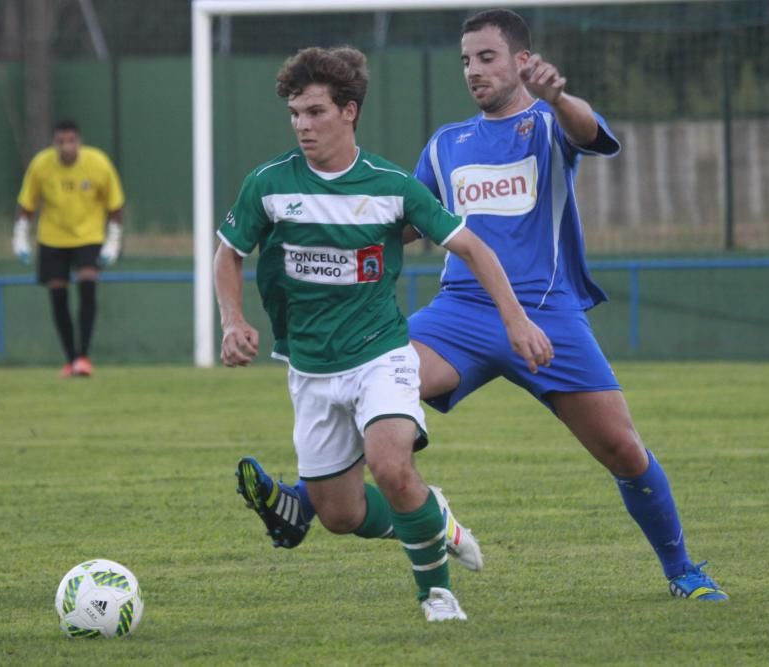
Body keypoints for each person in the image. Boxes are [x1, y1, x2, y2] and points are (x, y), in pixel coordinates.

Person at [238, 9, 728, 602]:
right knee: (369, 378)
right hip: (460, 316)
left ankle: (682, 571)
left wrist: (561, 97)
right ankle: (304, 502)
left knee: (623, 449)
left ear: (523, 61)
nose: (474, 70)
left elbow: (589, 132)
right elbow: (404, 223)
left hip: (548, 314)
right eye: (466, 60)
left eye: (487, 57)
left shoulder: (550, 122)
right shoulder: (448, 144)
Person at [215, 45, 553, 622]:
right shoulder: (269, 185)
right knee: (339, 515)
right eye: (295, 113)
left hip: (381, 355)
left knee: (392, 467)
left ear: (349, 111)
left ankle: (437, 596)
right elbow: (229, 254)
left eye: (315, 112)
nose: (303, 125)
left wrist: (515, 319)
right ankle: (432, 516)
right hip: (310, 369)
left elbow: (472, 246)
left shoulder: (392, 186)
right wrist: (233, 319)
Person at [12, 119, 125, 378]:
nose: (66, 147)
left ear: (79, 141)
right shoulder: (41, 166)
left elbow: (115, 205)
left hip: (88, 235)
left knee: (87, 283)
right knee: (58, 294)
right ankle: (70, 358)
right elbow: (27, 204)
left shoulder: (98, 164)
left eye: (71, 141)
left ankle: (84, 356)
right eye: (61, 142)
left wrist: (113, 241)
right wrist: (20, 237)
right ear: (54, 143)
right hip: (52, 237)